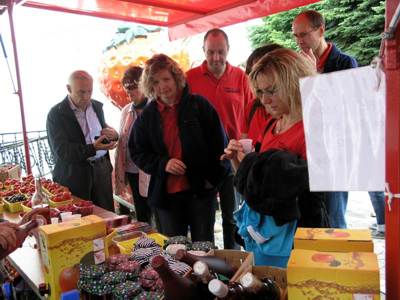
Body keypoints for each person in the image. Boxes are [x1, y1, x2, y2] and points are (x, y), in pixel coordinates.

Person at [223, 48, 328, 267]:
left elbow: (302, 193)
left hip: (294, 237)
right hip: (267, 236)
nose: (265, 100)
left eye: (272, 90)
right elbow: (253, 184)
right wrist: (237, 160)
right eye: (260, 92)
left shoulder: (313, 128)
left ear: (295, 82)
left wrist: (253, 167)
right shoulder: (274, 124)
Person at [130, 54, 229, 242]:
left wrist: (212, 181)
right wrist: (163, 163)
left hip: (200, 192)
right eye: (156, 82)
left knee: (204, 250)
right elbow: (137, 152)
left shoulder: (200, 105)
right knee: (175, 253)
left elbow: (220, 147)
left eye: (166, 79)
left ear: (176, 78)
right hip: (166, 197)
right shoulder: (147, 116)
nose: (162, 86)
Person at [186, 28, 253, 249]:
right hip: (202, 162)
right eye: (211, 52)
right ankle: (206, 265)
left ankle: (232, 263)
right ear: (203, 50)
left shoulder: (240, 76)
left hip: (232, 159)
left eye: (221, 52)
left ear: (228, 50)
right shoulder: (191, 78)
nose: (216, 58)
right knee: (203, 218)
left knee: (232, 216)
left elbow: (251, 113)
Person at [292, 10, 358, 228]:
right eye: (296, 36)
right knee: (310, 220)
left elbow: (345, 111)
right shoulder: (296, 64)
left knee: (334, 220)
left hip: (335, 157)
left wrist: (313, 76)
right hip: (305, 154)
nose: (300, 41)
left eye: (304, 35)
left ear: (321, 30)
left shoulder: (345, 63)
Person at [47, 70, 118, 212]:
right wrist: (93, 148)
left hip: (101, 170)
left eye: (89, 91)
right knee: (81, 220)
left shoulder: (97, 107)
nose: (86, 97)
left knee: (107, 216)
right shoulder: (56, 114)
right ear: (68, 89)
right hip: (74, 175)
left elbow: (103, 131)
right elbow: (62, 152)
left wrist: (114, 135)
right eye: (81, 92)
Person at [114, 66, 153, 223]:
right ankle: (147, 244)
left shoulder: (155, 109)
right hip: (132, 170)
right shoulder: (126, 111)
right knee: (141, 213)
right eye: (127, 90)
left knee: (157, 210)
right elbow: (122, 141)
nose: (130, 94)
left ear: (143, 85)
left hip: (151, 170)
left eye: (133, 89)